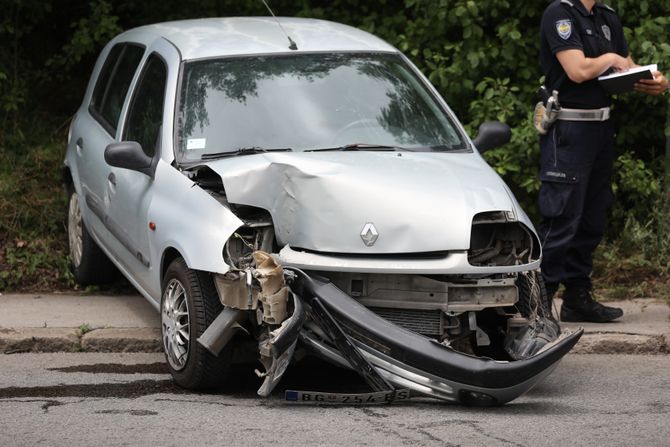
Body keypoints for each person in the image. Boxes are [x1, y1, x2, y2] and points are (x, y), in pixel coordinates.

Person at [538, 0, 668, 322]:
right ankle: (538, 300)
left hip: (600, 127)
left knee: (592, 217)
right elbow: (578, 71)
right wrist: (611, 58)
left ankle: (577, 297)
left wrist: (655, 80)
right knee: (562, 216)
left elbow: (630, 68)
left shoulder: (607, 16)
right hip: (569, 128)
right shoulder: (560, 14)